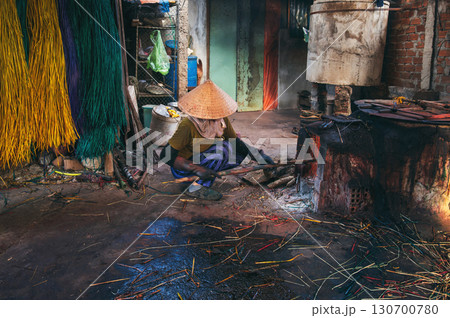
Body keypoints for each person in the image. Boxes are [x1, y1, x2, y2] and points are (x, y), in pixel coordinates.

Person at [162, 80, 274, 201]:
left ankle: (206, 173)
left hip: (201, 158)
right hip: (183, 168)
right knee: (221, 150)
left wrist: (260, 156)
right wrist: (196, 168)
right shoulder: (188, 125)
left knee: (235, 152)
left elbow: (235, 143)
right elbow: (166, 156)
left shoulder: (221, 120)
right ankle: (194, 187)